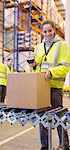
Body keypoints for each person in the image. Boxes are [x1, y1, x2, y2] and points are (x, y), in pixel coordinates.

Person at [34, 20, 70, 150]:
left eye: (49, 30)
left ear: (54, 30)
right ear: (42, 32)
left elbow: (65, 67)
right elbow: (36, 68)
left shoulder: (62, 46)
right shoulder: (38, 47)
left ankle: (65, 145)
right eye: (44, 31)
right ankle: (44, 146)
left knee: (59, 117)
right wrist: (32, 66)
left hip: (55, 87)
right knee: (42, 118)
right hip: (41, 87)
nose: (47, 33)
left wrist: (52, 72)